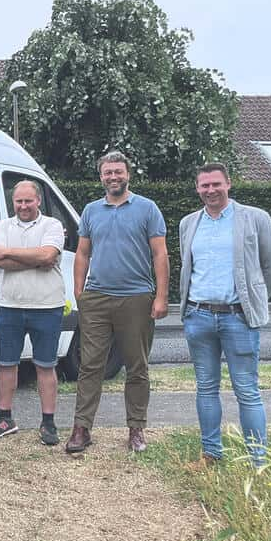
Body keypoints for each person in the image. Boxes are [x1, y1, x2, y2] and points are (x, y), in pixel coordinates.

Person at [66, 151, 169, 454]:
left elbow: (160, 254)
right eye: (107, 172)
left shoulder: (147, 209)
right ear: (101, 176)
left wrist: (161, 297)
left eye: (118, 172)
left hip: (136, 297)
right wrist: (79, 292)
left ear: (128, 174)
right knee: (90, 366)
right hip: (96, 298)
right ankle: (81, 429)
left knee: (137, 367)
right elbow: (83, 253)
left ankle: (136, 429)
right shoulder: (91, 211)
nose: (113, 177)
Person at [180, 163, 271, 468]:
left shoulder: (255, 219)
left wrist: (251, 300)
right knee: (206, 388)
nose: (210, 190)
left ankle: (257, 463)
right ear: (197, 188)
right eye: (204, 185)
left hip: (238, 318)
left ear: (229, 184)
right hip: (198, 317)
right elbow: (189, 268)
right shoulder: (188, 223)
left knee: (247, 391)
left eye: (216, 184)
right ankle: (211, 455)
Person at [0, 180, 65, 445]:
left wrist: (9, 252)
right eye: (18, 201)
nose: (23, 206)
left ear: (38, 201)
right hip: (10, 306)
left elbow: (49, 257)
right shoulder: (3, 226)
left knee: (45, 366)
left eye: (28, 201)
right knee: (6, 364)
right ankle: (5, 418)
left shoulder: (51, 225)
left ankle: (48, 423)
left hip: (46, 306)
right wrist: (34, 258)